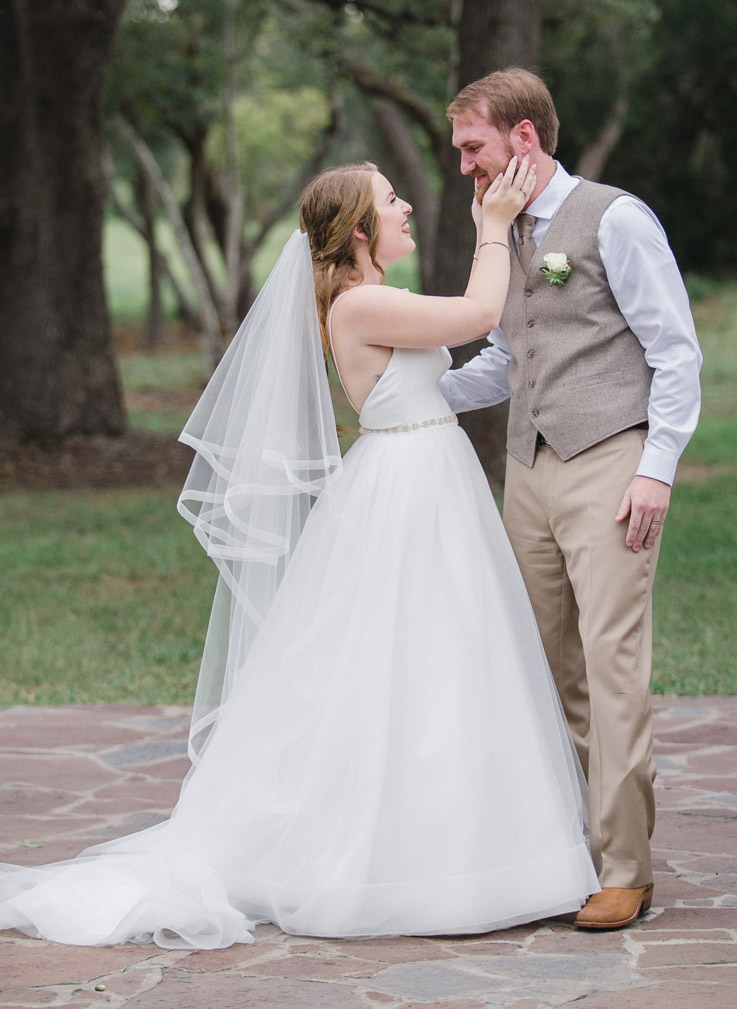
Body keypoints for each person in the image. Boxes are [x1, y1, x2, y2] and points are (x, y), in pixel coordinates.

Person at [0, 157, 598, 950]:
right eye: (392, 201)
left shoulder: (371, 297)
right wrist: (493, 227)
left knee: (445, 658)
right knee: (404, 662)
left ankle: (467, 838)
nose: (408, 206)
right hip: (406, 485)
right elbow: (481, 311)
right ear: (358, 230)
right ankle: (396, 857)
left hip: (428, 476)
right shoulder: (359, 305)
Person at [440, 68, 702, 931]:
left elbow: (676, 352)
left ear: (523, 138)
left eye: (473, 150)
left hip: (609, 462)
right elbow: (504, 362)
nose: (465, 171)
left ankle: (626, 867)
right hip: (529, 469)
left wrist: (655, 468)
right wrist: (407, 397)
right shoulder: (498, 233)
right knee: (548, 668)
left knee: (610, 661)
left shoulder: (613, 218)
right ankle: (573, 851)